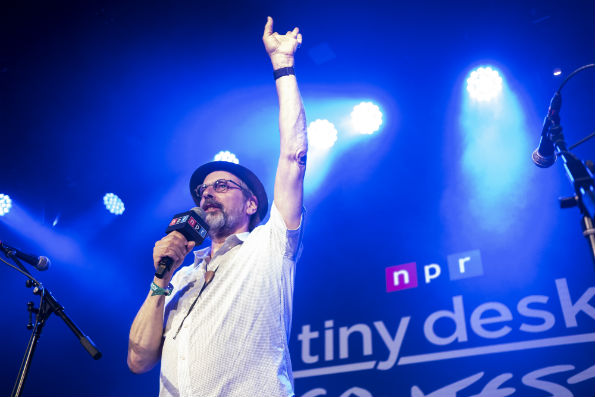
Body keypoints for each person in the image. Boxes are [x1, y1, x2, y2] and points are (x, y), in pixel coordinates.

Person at [127, 17, 307, 397]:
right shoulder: (181, 275)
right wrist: (161, 280)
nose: (207, 193)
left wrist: (283, 67)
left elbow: (294, 155)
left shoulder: (270, 244)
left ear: (252, 202)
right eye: (203, 190)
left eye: (222, 186)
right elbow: (138, 360)